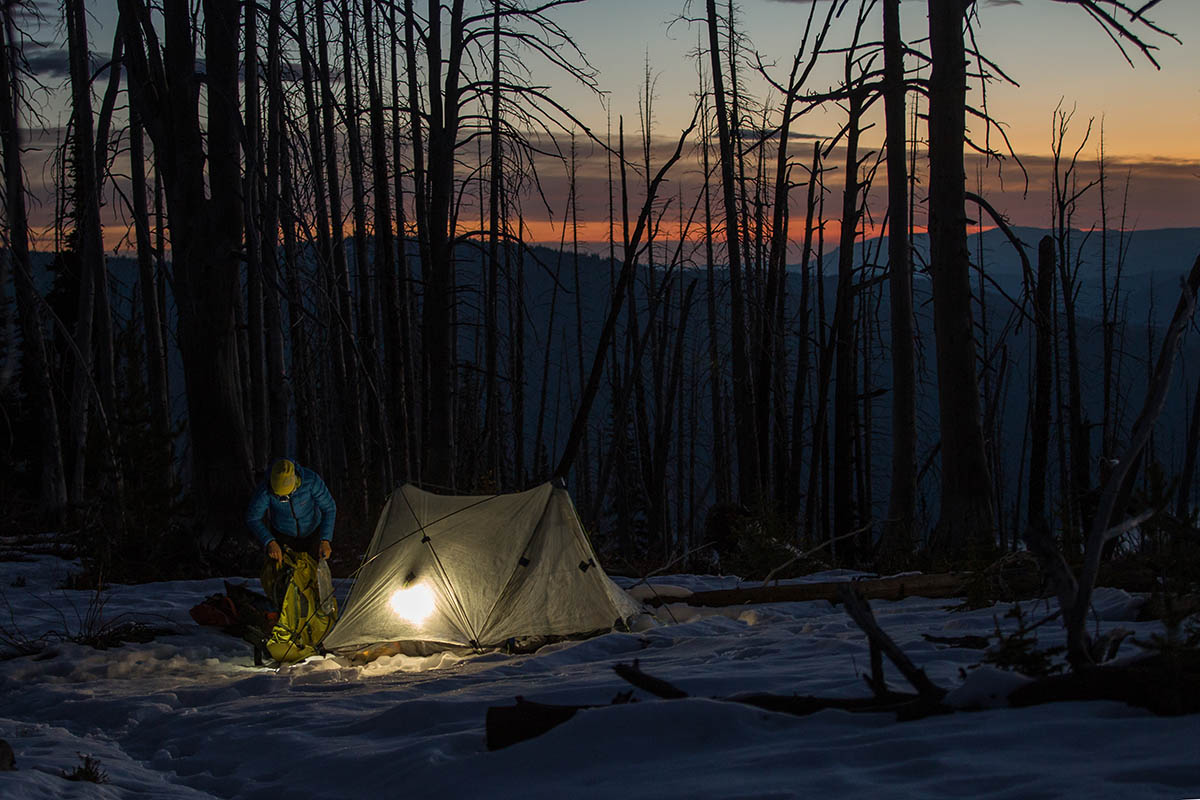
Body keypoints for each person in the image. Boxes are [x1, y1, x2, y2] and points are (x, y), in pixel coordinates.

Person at [246, 458, 336, 564]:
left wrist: (325, 539)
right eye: (278, 496)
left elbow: (329, 508)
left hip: (313, 532)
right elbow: (253, 518)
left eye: (286, 496)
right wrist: (270, 541)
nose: (283, 500)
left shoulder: (311, 481)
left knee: (312, 573)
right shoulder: (265, 490)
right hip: (283, 536)